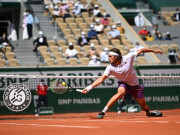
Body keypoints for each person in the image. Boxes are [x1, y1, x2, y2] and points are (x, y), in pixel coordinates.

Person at [81, 47, 163, 119]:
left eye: (110, 56)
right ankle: (103, 111)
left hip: (135, 85)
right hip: (123, 83)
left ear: (116, 57)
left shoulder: (129, 57)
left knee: (144, 106)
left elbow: (141, 50)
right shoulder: (110, 68)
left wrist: (154, 50)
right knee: (121, 92)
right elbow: (101, 79)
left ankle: (149, 113)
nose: (108, 58)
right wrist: (88, 88)